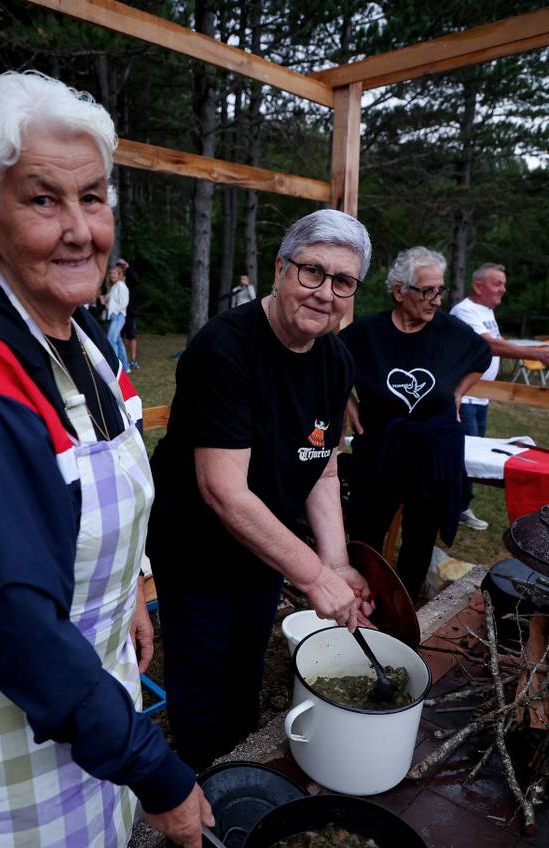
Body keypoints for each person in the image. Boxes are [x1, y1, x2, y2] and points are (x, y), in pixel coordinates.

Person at [0, 71, 212, 848]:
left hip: (88, 672)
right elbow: (14, 618)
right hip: (8, 689)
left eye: (92, 197)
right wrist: (156, 770)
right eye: (43, 200)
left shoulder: (79, 334)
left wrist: (134, 587)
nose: (80, 228)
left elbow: (105, 479)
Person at [147, 208, 375, 772]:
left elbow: (322, 467)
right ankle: (203, 785)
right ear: (279, 268)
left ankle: (240, 771)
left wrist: (337, 563)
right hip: (196, 543)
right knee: (202, 676)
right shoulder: (224, 349)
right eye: (312, 271)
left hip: (265, 542)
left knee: (246, 663)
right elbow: (222, 491)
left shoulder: (336, 360)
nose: (325, 293)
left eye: (343, 281)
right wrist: (314, 577)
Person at [340, 246, 492, 604]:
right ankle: (360, 602)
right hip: (379, 449)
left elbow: (482, 356)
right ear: (399, 291)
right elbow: (330, 361)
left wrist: (458, 393)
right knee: (365, 532)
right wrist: (348, 401)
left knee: (420, 537)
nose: (436, 300)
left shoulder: (451, 332)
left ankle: (403, 606)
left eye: (440, 290)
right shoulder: (367, 334)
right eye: (427, 291)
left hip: (432, 454)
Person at [450, 263, 549, 530]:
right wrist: (537, 354)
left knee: (472, 452)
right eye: (497, 284)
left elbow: (499, 340)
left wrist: (535, 348)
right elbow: (490, 345)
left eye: (503, 284)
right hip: (465, 396)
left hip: (481, 397)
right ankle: (453, 507)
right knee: (464, 454)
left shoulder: (486, 312)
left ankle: (460, 506)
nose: (503, 289)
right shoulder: (464, 311)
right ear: (478, 286)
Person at [105, 262, 131, 373]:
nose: (112, 275)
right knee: (118, 342)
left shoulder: (121, 285)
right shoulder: (113, 287)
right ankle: (125, 367)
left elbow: (124, 303)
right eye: (110, 273)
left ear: (119, 274)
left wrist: (115, 312)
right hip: (113, 316)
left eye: (114, 273)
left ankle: (114, 368)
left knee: (111, 340)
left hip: (118, 316)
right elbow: (109, 302)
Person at [117, 257, 140, 369]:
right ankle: (121, 359)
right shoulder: (116, 278)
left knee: (131, 335)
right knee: (119, 335)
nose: (121, 267)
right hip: (119, 312)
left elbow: (136, 281)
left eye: (123, 265)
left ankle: (133, 360)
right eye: (119, 265)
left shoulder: (130, 277)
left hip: (130, 311)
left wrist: (128, 268)